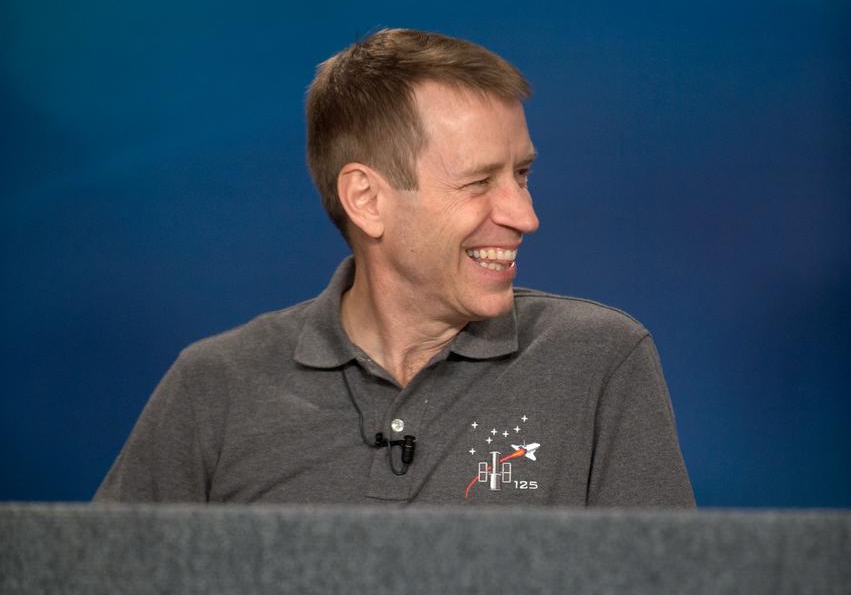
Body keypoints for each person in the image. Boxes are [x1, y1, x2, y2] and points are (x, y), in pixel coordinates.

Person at [94, 28, 694, 507]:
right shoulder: (214, 387)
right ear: (367, 200)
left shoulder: (599, 363)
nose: (524, 215)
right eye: (479, 181)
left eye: (522, 174)